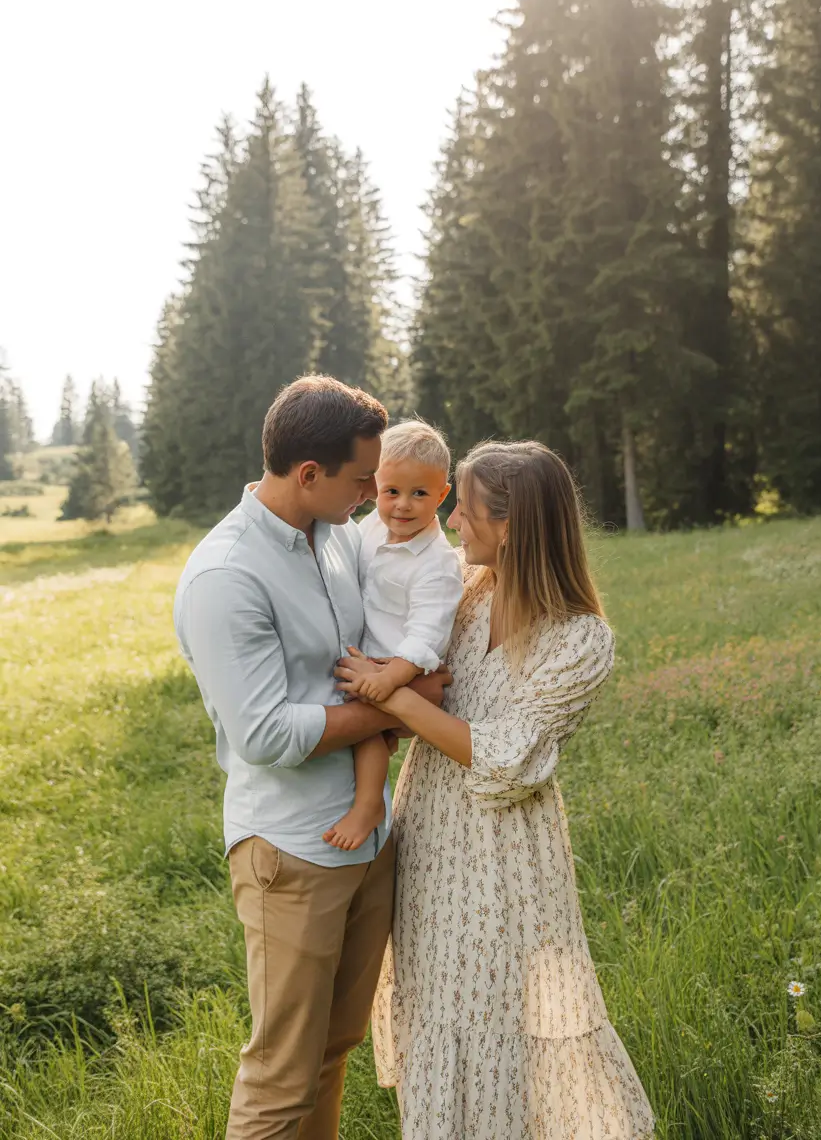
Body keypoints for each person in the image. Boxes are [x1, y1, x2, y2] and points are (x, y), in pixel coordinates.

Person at [339, 440, 655, 1139]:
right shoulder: (465, 596)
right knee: (437, 1013)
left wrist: (390, 695)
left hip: (507, 854)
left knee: (504, 1018)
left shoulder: (580, 640)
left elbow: (506, 756)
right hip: (428, 837)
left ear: (510, 526)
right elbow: (402, 635)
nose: (451, 522)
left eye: (467, 510)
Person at [173, 375, 449, 1140]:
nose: (372, 494)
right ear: (308, 475)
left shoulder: (336, 539)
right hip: (292, 851)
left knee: (334, 1050)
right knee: (281, 1077)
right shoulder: (228, 576)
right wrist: (403, 702)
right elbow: (263, 733)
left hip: (368, 839)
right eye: (363, 480)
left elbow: (403, 611)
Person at [324, 420, 464, 852]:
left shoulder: (436, 564)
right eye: (392, 492)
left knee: (367, 724)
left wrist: (391, 677)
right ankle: (362, 796)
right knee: (368, 729)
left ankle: (368, 806)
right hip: (369, 654)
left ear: (442, 494)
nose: (403, 505)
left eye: (419, 494)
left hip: (398, 665)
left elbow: (427, 633)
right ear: (375, 488)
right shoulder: (370, 527)